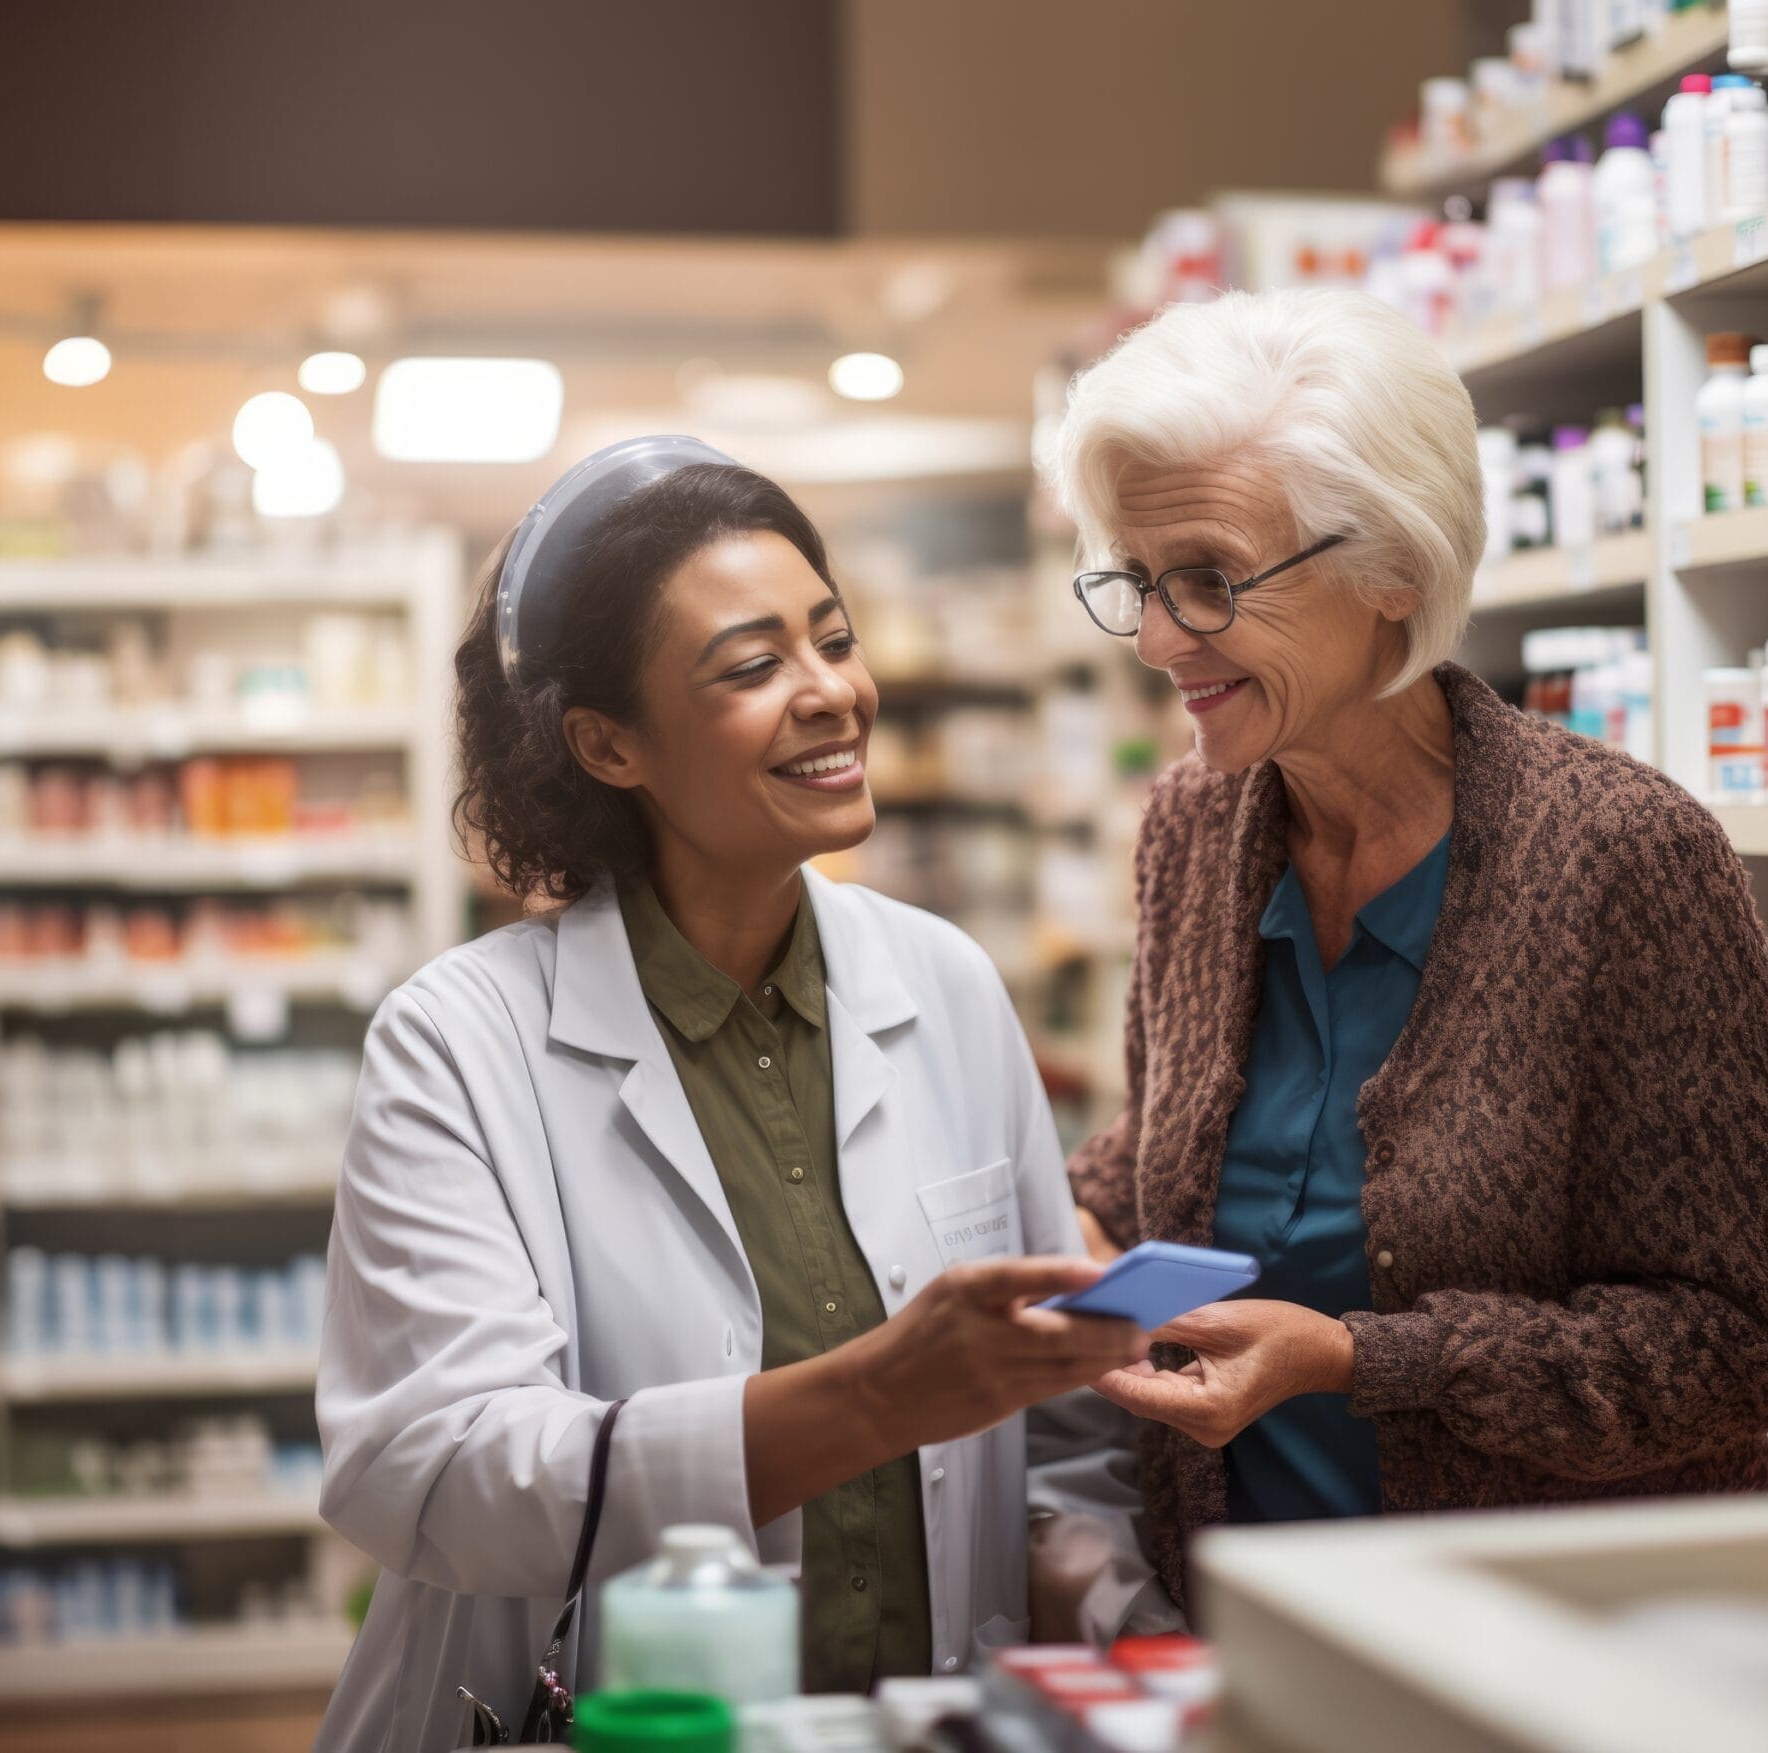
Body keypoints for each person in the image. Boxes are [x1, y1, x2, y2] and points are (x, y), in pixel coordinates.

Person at [314, 439, 1154, 1751]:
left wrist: (1120, 1614)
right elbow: (435, 1469)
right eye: (754, 666)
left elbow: (1057, 1430)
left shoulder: (945, 985)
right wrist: (876, 1393)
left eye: (835, 637)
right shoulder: (459, 1042)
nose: (832, 692)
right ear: (608, 743)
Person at [1039, 288, 1768, 1605]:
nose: (1161, 638)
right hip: (1253, 1632)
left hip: (1556, 1654)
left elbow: (1738, 1346)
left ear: (1394, 567)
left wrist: (1357, 1357)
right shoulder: (1193, 824)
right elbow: (1168, 1146)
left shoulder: (1623, 858)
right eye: (1136, 579)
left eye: (1212, 579)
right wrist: (1068, 1229)